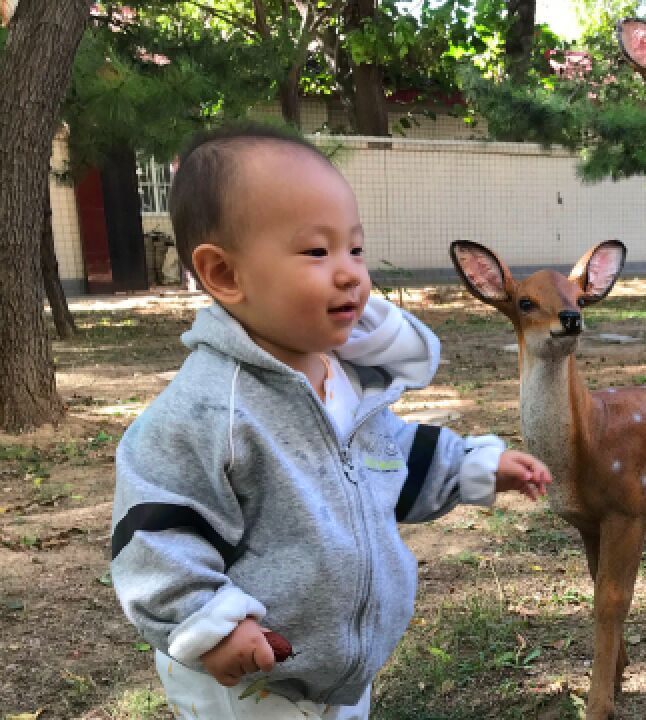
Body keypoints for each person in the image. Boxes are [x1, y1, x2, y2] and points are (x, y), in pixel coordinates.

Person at [108, 123, 552, 719]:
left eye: (355, 249)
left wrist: (470, 467)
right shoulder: (213, 406)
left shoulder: (341, 376)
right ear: (225, 275)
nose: (351, 274)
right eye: (318, 251)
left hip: (338, 668)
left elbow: (387, 455)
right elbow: (155, 528)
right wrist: (206, 623)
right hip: (251, 674)